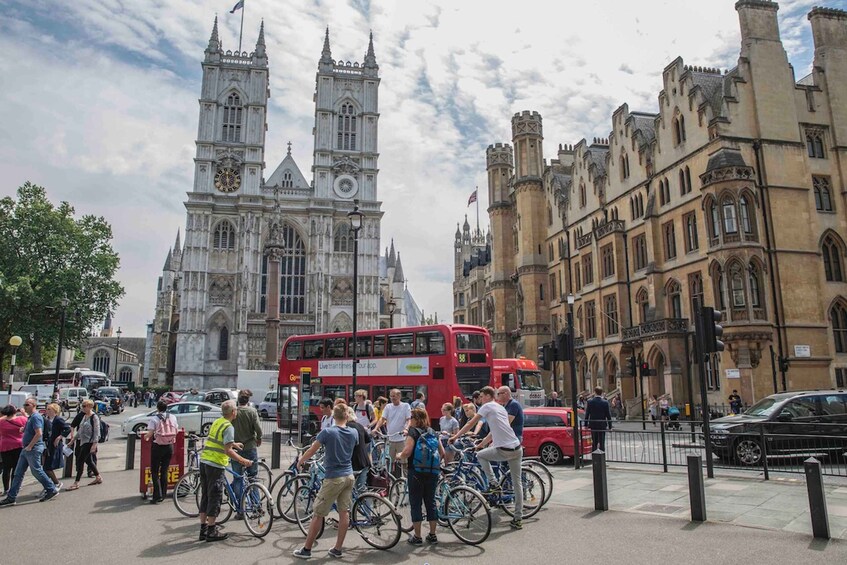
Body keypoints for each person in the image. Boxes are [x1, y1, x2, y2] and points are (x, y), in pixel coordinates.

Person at [450, 386, 523, 530]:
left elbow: (471, 423)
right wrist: (482, 444)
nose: (480, 399)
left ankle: (494, 484)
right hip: (516, 447)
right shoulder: (501, 408)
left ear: (489, 396)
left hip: (504, 449)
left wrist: (455, 436)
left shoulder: (487, 406)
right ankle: (518, 518)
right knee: (517, 484)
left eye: (482, 396)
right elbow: (495, 431)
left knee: (480, 456)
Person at [293, 404, 359, 559]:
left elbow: (312, 449)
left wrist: (301, 460)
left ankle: (307, 550)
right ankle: (337, 548)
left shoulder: (328, 432)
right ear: (347, 416)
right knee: (344, 512)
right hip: (349, 476)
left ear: (333, 417)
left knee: (318, 513)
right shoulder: (354, 432)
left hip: (334, 477)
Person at [198, 400, 253, 542]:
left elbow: (218, 439)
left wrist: (233, 443)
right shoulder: (229, 426)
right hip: (215, 464)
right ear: (233, 412)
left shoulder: (218, 422)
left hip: (204, 461)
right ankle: (212, 530)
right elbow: (227, 451)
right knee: (215, 496)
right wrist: (243, 460)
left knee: (205, 496)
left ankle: (203, 529)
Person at [399, 407, 445, 545]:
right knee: (430, 502)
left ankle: (417, 537)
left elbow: (407, 451)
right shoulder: (433, 432)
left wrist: (399, 455)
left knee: (416, 503)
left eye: (411, 418)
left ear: (416, 419)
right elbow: (442, 452)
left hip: (416, 472)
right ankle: (432, 535)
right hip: (432, 472)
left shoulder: (413, 432)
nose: (409, 421)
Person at [0, 398, 59, 505]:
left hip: (33, 448)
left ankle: (51, 488)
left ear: (33, 405)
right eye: (24, 404)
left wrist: (30, 446)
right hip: (25, 448)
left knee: (36, 470)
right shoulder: (30, 417)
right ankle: (11, 496)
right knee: (18, 473)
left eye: (27, 404)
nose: (25, 406)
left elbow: (39, 433)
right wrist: (24, 429)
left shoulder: (36, 417)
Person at [143, 400, 178, 503]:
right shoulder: (173, 417)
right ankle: (163, 494)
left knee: (154, 471)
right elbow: (176, 428)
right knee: (164, 471)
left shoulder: (154, 419)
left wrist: (145, 437)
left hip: (158, 446)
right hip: (169, 446)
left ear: (157, 408)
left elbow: (150, 434)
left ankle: (156, 496)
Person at [231, 391, 262, 506]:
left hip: (235, 449)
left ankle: (240, 507)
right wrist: (259, 438)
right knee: (252, 477)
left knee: (238, 478)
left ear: (238, 400)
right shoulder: (252, 411)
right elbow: (258, 428)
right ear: (248, 401)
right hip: (250, 447)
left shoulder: (234, 413)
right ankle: (256, 504)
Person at [66, 399, 102, 490]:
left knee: (80, 461)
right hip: (83, 441)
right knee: (89, 461)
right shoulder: (84, 416)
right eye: (82, 406)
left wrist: (94, 444)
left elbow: (97, 432)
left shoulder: (94, 417)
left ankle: (76, 482)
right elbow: (80, 430)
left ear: (90, 406)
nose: (83, 408)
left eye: (85, 406)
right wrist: (72, 440)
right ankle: (98, 477)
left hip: (89, 442)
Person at [375, 388, 411, 477]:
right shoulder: (388, 407)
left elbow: (408, 420)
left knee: (403, 461)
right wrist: (375, 428)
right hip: (390, 438)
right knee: (390, 461)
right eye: (391, 396)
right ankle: (391, 481)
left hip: (401, 438)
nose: (392, 398)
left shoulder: (405, 406)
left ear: (399, 396)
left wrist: (406, 429)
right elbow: (382, 419)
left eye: (394, 396)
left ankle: (405, 481)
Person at [0, 405, 26, 496]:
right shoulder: (22, 419)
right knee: (16, 468)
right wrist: (22, 412)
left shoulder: (1, 422)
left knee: (6, 469)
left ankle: (6, 489)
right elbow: (29, 422)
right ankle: (14, 487)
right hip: (18, 445)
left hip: (5, 446)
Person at [43, 403, 70, 491]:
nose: (47, 411)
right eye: (47, 409)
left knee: (48, 467)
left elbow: (67, 428)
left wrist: (60, 437)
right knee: (44, 466)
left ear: (55, 411)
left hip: (54, 446)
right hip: (46, 445)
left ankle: (56, 483)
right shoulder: (46, 419)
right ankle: (48, 485)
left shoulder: (58, 420)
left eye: (49, 409)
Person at [345, 405, 371, 494]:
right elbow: (368, 441)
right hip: (364, 461)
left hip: (353, 463)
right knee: (361, 489)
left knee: (347, 490)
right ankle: (365, 507)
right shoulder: (360, 426)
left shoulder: (345, 427)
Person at [584, 387, 613, 452]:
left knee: (594, 442)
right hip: (602, 425)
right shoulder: (605, 402)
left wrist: (585, 424)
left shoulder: (590, 402)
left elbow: (587, 414)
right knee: (602, 441)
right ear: (601, 393)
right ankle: (602, 457)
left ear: (595, 392)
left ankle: (594, 457)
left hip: (593, 424)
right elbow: (608, 415)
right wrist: (610, 426)